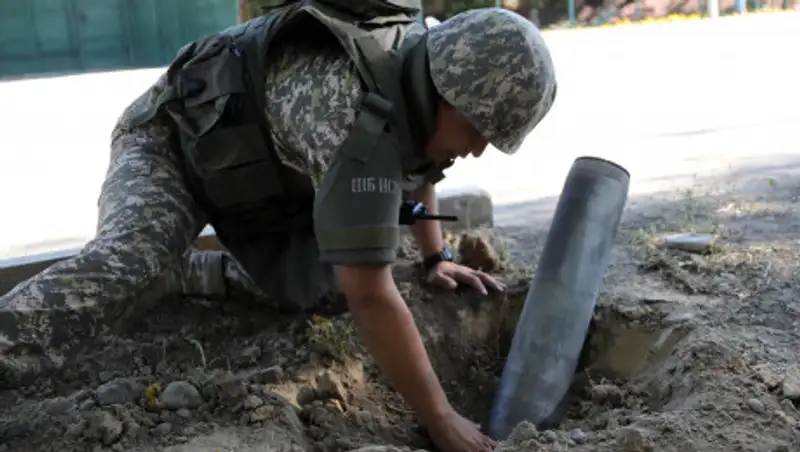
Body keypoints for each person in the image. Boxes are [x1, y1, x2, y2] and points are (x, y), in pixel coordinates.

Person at [0, 4, 556, 451]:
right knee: (131, 262)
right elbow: (372, 294)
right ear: (447, 89)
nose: (480, 148)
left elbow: (421, 160)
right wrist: (440, 418)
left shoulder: (422, 69)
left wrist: (434, 258)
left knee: (321, 284)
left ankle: (189, 275)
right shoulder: (350, 121)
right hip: (168, 146)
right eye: (481, 128)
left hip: (262, 181)